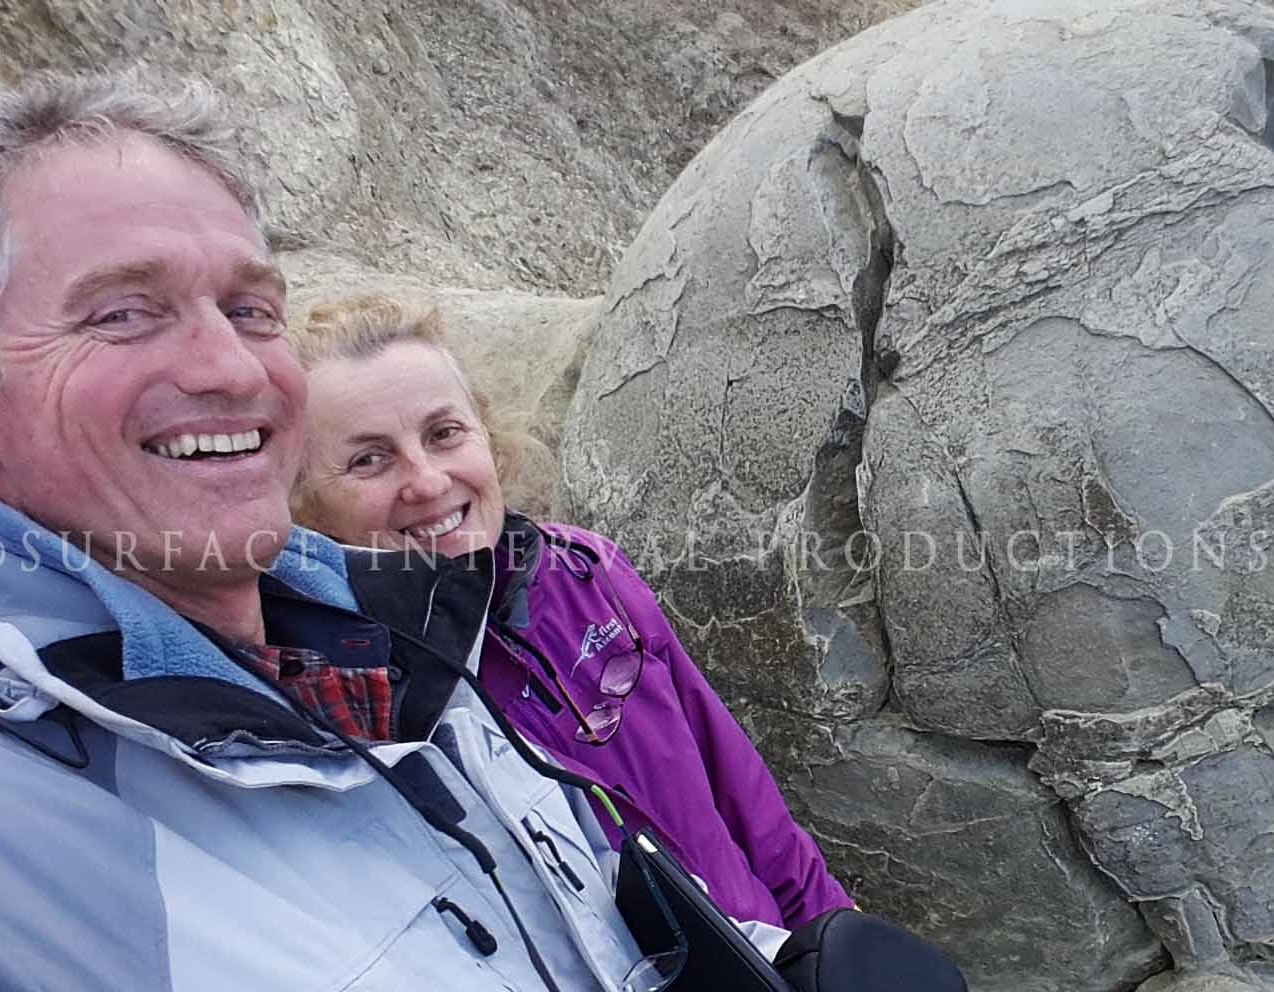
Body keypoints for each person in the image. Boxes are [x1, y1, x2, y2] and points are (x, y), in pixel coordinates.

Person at [0, 71, 705, 992]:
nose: (234, 369)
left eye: (252, 309)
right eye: (124, 313)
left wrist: (791, 984)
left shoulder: (391, 643)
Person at [287, 294, 854, 932]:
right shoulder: (353, 704)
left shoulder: (585, 570)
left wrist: (832, 932)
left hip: (772, 961)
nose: (426, 481)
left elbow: (737, 782)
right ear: (305, 508)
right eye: (370, 459)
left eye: (444, 434)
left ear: (489, 438)